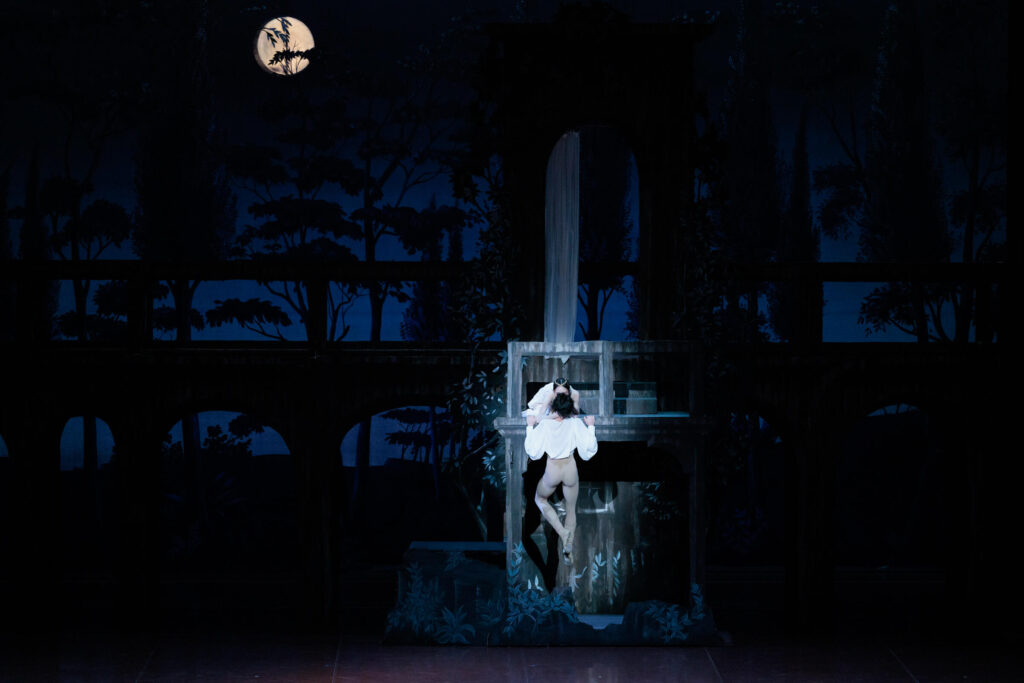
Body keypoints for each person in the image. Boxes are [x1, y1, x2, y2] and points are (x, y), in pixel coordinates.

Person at [524, 392, 597, 564]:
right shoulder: (575, 423)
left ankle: (563, 533)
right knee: (571, 509)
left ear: (554, 407)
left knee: (540, 499)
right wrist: (591, 426)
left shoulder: (545, 425)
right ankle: (567, 547)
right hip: (570, 468)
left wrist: (530, 426)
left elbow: (533, 451)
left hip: (553, 470)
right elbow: (588, 447)